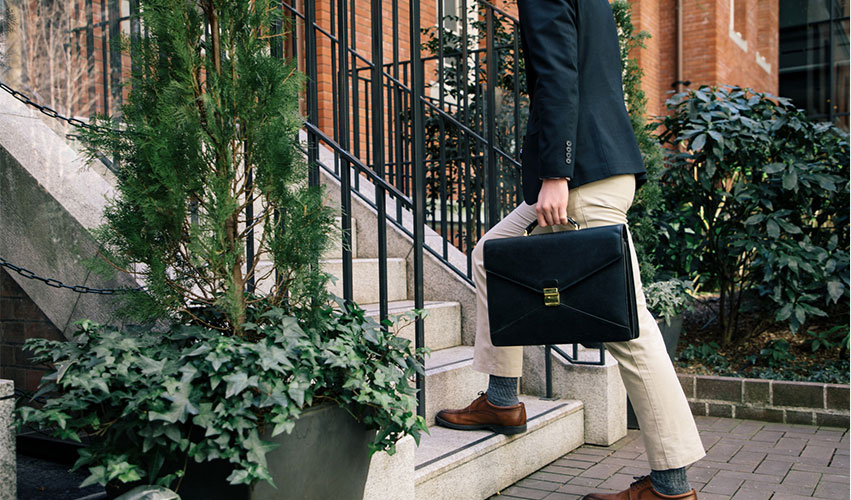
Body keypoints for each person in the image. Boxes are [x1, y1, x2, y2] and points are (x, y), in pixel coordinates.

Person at [433, 1, 706, 498]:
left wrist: (556, 174)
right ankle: (502, 399)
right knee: (493, 253)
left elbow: (560, 75)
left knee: (632, 331)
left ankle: (671, 486)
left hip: (580, 177)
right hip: (600, 168)